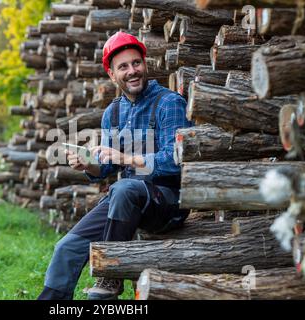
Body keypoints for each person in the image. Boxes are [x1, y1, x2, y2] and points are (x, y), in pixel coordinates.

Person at [37, 31, 192, 300]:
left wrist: (127, 159)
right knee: (67, 247)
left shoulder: (169, 103)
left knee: (124, 188)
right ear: (112, 75)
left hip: (167, 203)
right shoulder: (114, 112)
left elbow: (178, 161)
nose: (132, 71)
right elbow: (106, 169)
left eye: (136, 63)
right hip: (125, 200)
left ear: (145, 64)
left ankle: (111, 274)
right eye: (123, 67)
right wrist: (89, 165)